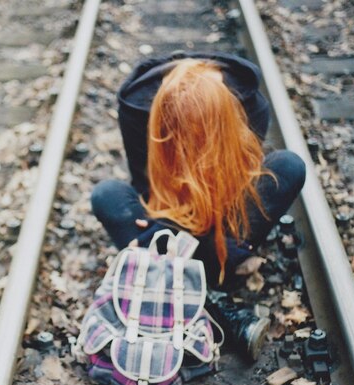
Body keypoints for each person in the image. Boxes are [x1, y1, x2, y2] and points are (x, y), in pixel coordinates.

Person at [91, 52, 306, 360]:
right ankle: (217, 306)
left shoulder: (250, 106)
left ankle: (173, 278)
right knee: (107, 195)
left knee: (288, 166)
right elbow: (147, 185)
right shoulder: (138, 112)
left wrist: (211, 227)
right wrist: (169, 226)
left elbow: (243, 178)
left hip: (225, 213)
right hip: (172, 217)